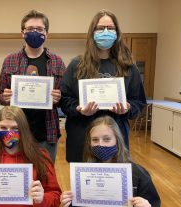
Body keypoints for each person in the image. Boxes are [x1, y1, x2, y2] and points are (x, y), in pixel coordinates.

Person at [60, 9, 146, 163]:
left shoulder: (128, 67)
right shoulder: (76, 65)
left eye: (110, 28)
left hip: (115, 140)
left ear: (117, 33)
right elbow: (65, 100)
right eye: (100, 28)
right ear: (92, 32)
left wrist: (127, 108)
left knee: (112, 185)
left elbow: (139, 101)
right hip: (82, 139)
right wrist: (79, 109)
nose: (105, 32)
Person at [60, 115, 164, 207]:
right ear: (89, 143)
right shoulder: (84, 175)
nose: (100, 144)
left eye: (107, 139)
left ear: (117, 141)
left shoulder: (138, 175)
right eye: (95, 140)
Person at [0, 9, 66, 162]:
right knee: (17, 178)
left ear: (46, 33)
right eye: (30, 29)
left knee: (45, 180)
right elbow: (1, 95)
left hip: (46, 133)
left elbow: (65, 97)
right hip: (15, 133)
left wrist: (59, 98)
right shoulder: (10, 60)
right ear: (22, 32)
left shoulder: (57, 61)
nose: (34, 32)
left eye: (39, 29)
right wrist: (5, 96)